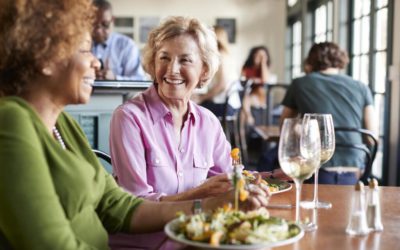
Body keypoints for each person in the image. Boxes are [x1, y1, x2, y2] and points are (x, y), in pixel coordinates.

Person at [0, 2, 269, 249]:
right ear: (46, 59)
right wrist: (204, 200)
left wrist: (211, 204)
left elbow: (116, 205)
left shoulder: (62, 123)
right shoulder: (11, 122)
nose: (96, 61)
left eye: (185, 59)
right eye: (84, 49)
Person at [109, 16, 246, 249]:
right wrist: (201, 193)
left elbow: (232, 180)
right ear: (153, 63)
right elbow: (135, 206)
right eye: (164, 58)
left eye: (185, 60)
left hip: (196, 240)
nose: (172, 70)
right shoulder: (129, 118)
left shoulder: (209, 122)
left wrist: (266, 180)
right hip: (145, 245)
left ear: (203, 69)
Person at [280, 42, 377, 185]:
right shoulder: (361, 87)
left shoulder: (299, 83)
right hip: (354, 167)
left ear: (311, 60)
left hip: (315, 166)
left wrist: (303, 131)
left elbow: (285, 126)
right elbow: (372, 136)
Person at [92, 0, 146, 80]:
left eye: (105, 24)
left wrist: (115, 78)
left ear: (112, 20)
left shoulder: (127, 46)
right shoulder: (79, 44)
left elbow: (139, 79)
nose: (99, 30)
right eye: (94, 25)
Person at [193, 25, 241, 117]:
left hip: (225, 106)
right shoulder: (226, 55)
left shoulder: (221, 57)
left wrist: (202, 97)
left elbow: (221, 85)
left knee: (191, 108)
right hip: (230, 104)